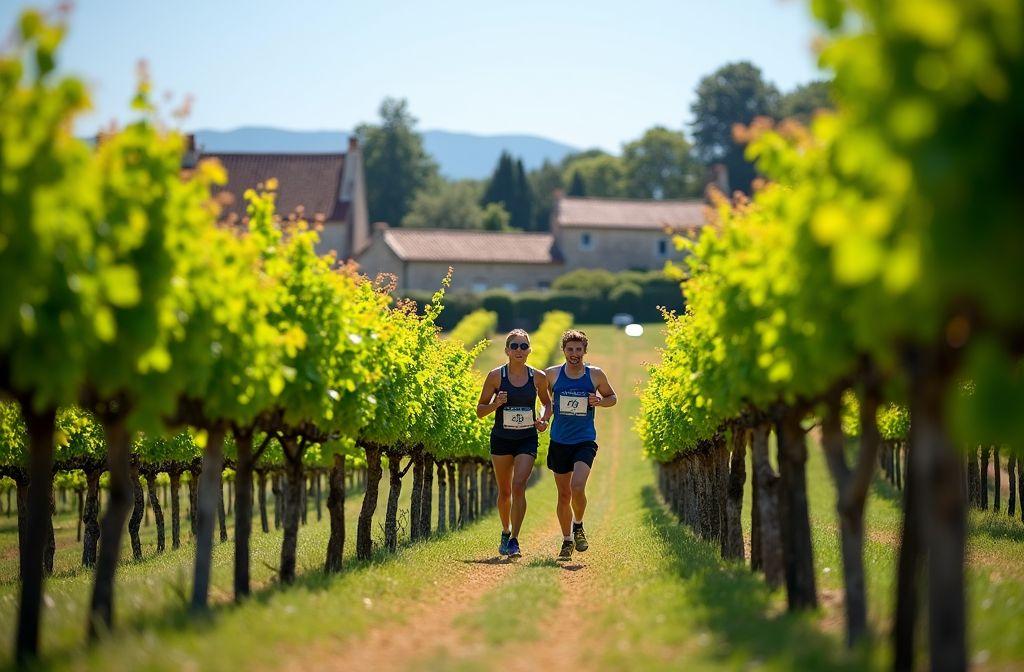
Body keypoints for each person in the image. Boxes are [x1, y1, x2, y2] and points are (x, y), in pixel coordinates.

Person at [477, 329, 552, 558]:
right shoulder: (495, 376)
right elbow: (480, 411)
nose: (519, 350)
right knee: (505, 492)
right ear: (507, 350)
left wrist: (543, 419)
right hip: (501, 438)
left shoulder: (538, 377)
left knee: (519, 486)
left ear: (529, 350)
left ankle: (515, 540)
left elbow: (547, 404)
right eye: (515, 346)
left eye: (523, 346)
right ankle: (505, 530)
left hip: (526, 439)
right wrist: (496, 403)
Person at [544, 329, 616, 560]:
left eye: (578, 349)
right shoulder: (551, 375)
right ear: (563, 351)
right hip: (559, 440)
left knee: (577, 487)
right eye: (570, 349)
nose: (574, 353)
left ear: (585, 351)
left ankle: (578, 525)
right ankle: (567, 541)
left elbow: (612, 398)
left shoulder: (595, 375)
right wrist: (543, 419)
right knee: (563, 495)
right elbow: (546, 404)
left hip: (584, 439)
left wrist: (599, 401)